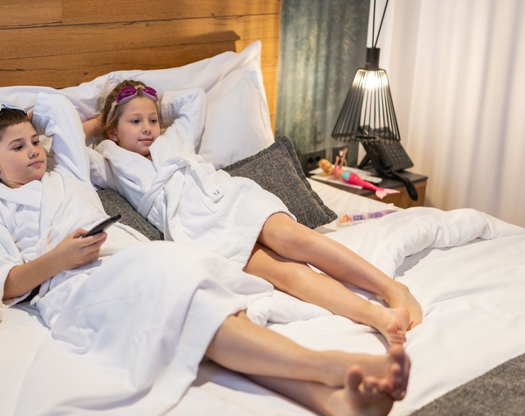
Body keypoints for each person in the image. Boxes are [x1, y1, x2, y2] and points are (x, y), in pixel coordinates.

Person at [0, 92, 410, 416]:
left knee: (199, 303)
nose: (34, 151)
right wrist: (57, 259)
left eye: (36, 141)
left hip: (130, 257)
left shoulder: (67, 174)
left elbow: (55, 109)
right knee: (196, 309)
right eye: (18, 147)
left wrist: (24, 115)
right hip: (73, 285)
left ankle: (338, 407)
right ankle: (329, 366)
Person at [83, 81, 423, 345]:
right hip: (198, 229)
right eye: (135, 121)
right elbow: (66, 143)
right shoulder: (109, 161)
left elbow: (193, 99)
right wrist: (102, 119)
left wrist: (144, 97)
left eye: (152, 119)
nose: (147, 128)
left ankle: (392, 289)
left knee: (295, 238)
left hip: (231, 197)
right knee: (284, 274)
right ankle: (372, 316)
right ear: (113, 131)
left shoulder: (174, 139)